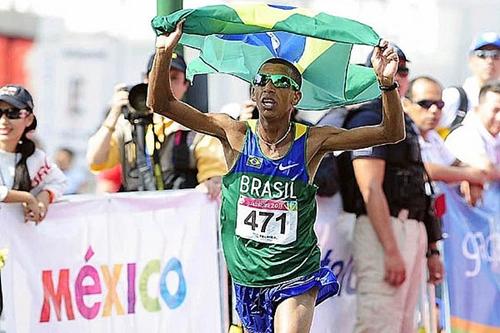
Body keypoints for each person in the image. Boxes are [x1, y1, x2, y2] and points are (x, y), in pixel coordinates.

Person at [148, 21, 405, 333]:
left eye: (280, 82)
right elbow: (160, 103)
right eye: (262, 80)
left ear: (295, 97)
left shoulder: (313, 141)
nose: (269, 87)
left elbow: (390, 133)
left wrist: (387, 86)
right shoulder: (234, 133)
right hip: (246, 277)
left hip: (296, 274)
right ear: (254, 92)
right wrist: (164, 53)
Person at [337, 47, 444, 333]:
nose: (398, 75)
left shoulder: (403, 118)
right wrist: (391, 250)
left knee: (404, 325)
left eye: (403, 69)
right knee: (379, 324)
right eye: (390, 67)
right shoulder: (369, 116)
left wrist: (432, 248)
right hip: (383, 231)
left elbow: (421, 185)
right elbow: (370, 188)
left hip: (410, 228)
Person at [86, 52, 199, 191]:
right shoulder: (127, 126)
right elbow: (95, 160)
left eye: (173, 78)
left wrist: (211, 182)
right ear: (146, 79)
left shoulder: (198, 127)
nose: (165, 84)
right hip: (137, 210)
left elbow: (213, 176)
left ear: (186, 84)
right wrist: (114, 113)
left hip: (181, 209)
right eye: (158, 76)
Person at [0, 84, 66, 315]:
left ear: (28, 119)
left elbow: (58, 182)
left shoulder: (35, 158)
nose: (4, 121)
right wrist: (25, 196)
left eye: (12, 113)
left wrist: (43, 200)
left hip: (18, 261)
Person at [404, 76, 488, 205]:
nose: (434, 110)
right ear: (405, 104)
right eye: (425, 104)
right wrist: (468, 175)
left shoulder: (433, 136)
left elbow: (456, 164)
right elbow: (423, 170)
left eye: (439, 104)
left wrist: (473, 181)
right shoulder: (401, 134)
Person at [439, 32, 500, 133]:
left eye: (496, 55)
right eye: (482, 55)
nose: (490, 61)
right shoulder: (454, 97)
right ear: (471, 60)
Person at [444, 80, 500, 180]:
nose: (499, 117)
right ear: (478, 109)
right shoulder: (465, 135)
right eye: (495, 110)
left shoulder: (495, 136)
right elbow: (486, 169)